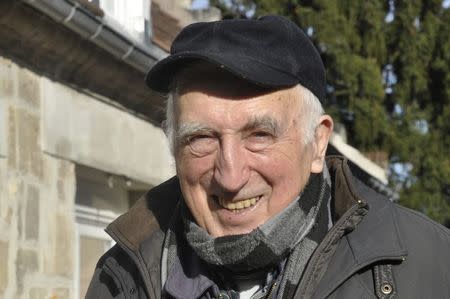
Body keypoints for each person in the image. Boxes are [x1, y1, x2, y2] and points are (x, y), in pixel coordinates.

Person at [86, 15, 450, 299]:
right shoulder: (121, 276)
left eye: (259, 135)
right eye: (202, 138)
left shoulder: (430, 264)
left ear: (318, 142)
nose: (230, 176)